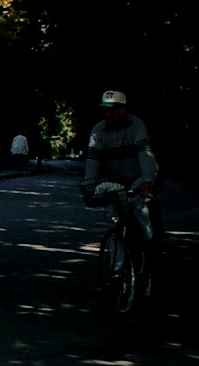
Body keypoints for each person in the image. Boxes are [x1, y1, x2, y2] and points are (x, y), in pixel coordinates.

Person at [81, 90, 161, 252]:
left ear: (123, 109)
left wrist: (147, 180)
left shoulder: (136, 125)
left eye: (112, 109)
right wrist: (89, 185)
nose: (107, 113)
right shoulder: (98, 130)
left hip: (137, 176)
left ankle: (149, 244)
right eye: (105, 109)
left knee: (139, 207)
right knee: (112, 214)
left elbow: (144, 153)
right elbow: (93, 160)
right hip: (114, 180)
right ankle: (117, 250)